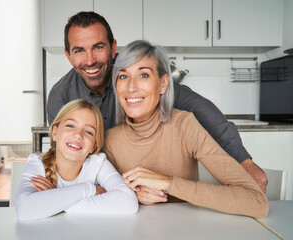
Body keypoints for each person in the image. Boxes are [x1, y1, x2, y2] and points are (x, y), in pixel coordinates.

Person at [47, 11, 268, 193]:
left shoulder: (135, 74)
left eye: (98, 47)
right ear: (68, 55)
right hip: (107, 194)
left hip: (153, 193)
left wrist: (243, 162)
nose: (90, 60)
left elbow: (198, 107)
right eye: (79, 51)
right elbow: (67, 160)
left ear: (113, 47)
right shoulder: (60, 97)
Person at [104, 40, 268, 218]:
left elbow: (257, 203)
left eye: (143, 75)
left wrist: (167, 183)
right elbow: (101, 199)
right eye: (123, 76)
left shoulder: (185, 125)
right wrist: (133, 195)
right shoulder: (110, 140)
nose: (131, 87)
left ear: (163, 84)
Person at [15, 99, 138, 221]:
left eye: (88, 132)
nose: (78, 135)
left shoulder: (98, 163)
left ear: (93, 146)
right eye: (70, 125)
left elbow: (129, 202)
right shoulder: (37, 163)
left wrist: (58, 204)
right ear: (54, 132)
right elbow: (24, 210)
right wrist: (90, 188)